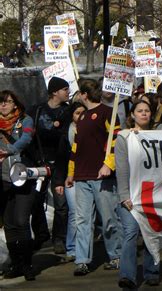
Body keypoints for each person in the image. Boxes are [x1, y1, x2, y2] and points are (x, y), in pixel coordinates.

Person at [66, 79, 122, 276]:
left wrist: (109, 164)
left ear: (84, 95)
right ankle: (82, 260)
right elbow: (75, 147)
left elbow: (116, 140)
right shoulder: (81, 118)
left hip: (102, 176)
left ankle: (116, 255)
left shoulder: (108, 113)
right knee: (82, 220)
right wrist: (71, 172)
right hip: (81, 177)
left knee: (108, 218)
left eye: (79, 93)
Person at [116, 100, 161, 288]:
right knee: (131, 232)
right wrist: (124, 195)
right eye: (139, 111)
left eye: (147, 111)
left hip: (152, 193)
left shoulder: (159, 135)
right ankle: (127, 275)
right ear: (132, 115)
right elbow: (122, 168)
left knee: (151, 232)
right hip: (131, 196)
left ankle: (151, 272)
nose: (144, 114)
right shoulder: (124, 137)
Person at [28, 77, 71, 254]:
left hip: (60, 164)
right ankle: (41, 234)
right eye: (65, 89)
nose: (68, 92)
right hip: (40, 163)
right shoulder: (36, 111)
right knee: (36, 201)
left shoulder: (68, 111)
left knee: (61, 205)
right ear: (55, 92)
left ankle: (59, 239)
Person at [0, 90, 36, 280]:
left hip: (21, 176)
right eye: (1, 103)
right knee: (9, 223)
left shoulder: (25, 120)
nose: (3, 105)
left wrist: (9, 150)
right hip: (3, 180)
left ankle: (28, 264)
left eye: (7, 102)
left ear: (15, 104)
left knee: (22, 221)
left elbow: (26, 139)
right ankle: (16, 264)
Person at [54, 102, 87, 263]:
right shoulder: (65, 134)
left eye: (83, 113)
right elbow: (60, 159)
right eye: (77, 113)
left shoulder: (92, 130)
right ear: (71, 116)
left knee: (87, 215)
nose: (80, 116)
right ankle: (72, 248)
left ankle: (85, 249)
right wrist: (58, 182)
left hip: (89, 176)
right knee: (75, 213)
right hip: (70, 178)